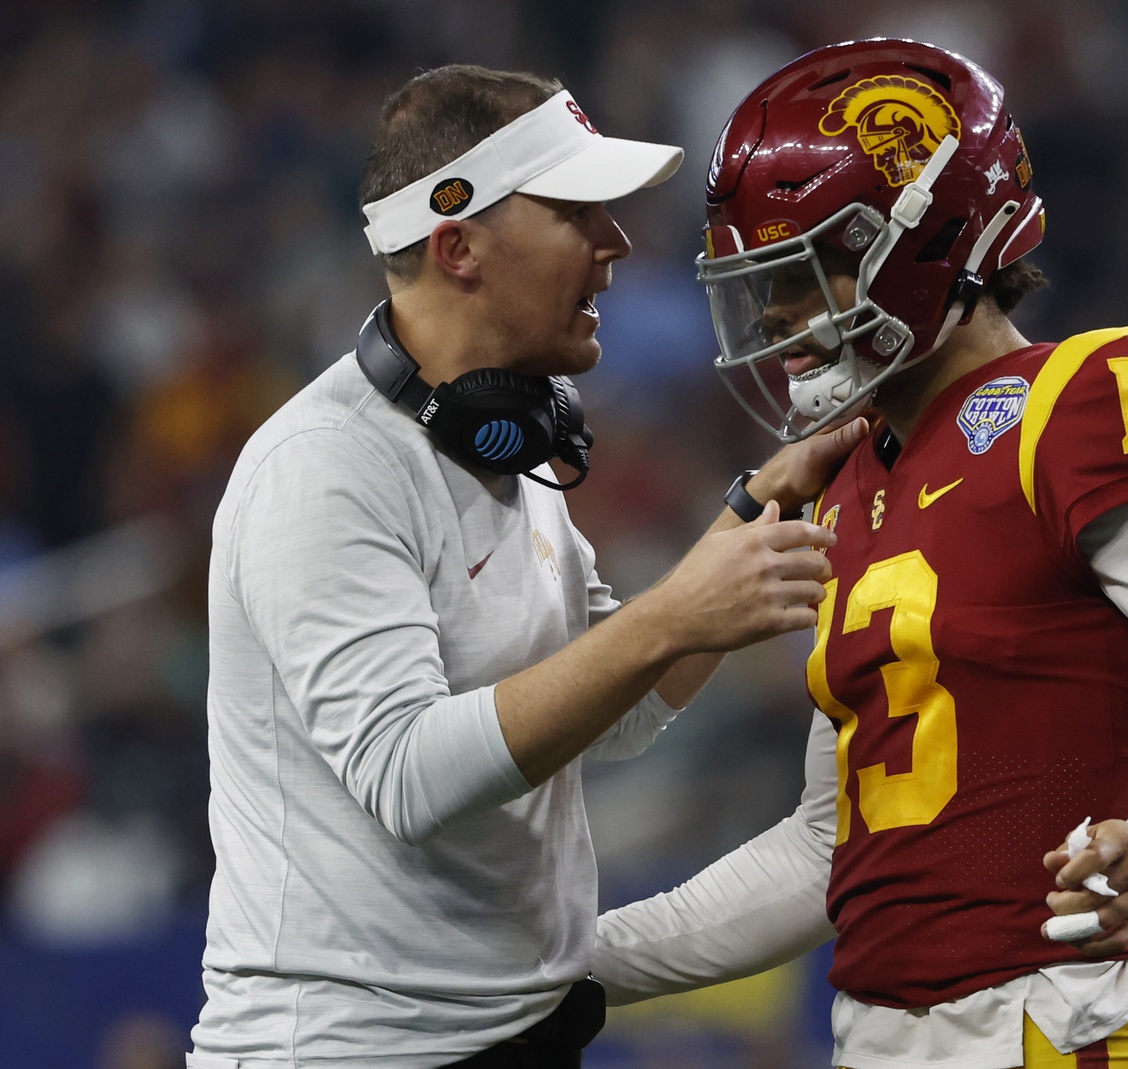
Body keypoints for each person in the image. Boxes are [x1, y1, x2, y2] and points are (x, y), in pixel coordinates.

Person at [592, 39, 1128, 1068]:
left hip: (1062, 1028)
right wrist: (574, 965)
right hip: (885, 1036)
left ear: (924, 239)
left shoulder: (1083, 399)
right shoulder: (847, 483)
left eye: (808, 270)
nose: (776, 316)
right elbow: (834, 849)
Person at [188, 65, 864, 1069]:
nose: (616, 245)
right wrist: (676, 612)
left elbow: (620, 706)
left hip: (503, 1041)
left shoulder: (505, 458)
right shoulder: (324, 468)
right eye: (575, 213)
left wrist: (754, 511)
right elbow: (407, 774)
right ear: (457, 245)